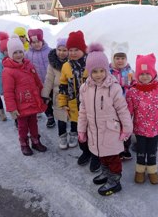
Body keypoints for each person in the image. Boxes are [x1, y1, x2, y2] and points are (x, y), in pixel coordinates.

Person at [78, 43, 133, 196]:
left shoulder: (113, 88)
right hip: (94, 130)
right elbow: (83, 110)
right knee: (101, 154)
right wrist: (81, 130)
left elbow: (122, 109)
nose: (98, 74)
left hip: (111, 130)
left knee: (112, 157)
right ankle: (106, 174)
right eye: (94, 71)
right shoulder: (85, 88)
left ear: (106, 69)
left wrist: (127, 129)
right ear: (89, 71)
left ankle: (115, 181)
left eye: (102, 70)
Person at [126, 53, 158, 184]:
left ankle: (152, 170)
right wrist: (124, 126)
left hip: (155, 129)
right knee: (141, 151)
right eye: (141, 74)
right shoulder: (133, 92)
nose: (145, 76)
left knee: (152, 151)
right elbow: (128, 111)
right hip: (140, 129)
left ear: (153, 73)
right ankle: (140, 170)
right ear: (137, 75)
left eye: (147, 73)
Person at [57, 30, 101, 172]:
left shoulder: (90, 63)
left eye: (76, 49)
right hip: (75, 107)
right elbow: (63, 85)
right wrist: (63, 102)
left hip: (92, 106)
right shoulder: (66, 66)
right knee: (81, 132)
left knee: (93, 132)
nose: (73, 53)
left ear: (83, 49)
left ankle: (96, 155)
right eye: (70, 50)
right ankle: (86, 152)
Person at [2, 35, 48, 156]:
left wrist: (43, 94)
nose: (18, 55)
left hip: (32, 101)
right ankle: (24, 144)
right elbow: (8, 91)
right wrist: (12, 108)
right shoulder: (8, 71)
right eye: (15, 52)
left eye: (20, 52)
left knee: (34, 122)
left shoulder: (29, 65)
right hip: (20, 104)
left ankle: (35, 141)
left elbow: (37, 81)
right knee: (22, 126)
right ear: (10, 54)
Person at [41, 38, 71, 149]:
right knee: (61, 118)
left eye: (65, 50)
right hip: (59, 95)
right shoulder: (52, 64)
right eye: (59, 50)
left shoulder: (72, 63)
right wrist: (45, 94)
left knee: (73, 118)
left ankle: (73, 134)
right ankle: (62, 136)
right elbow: (48, 80)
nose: (61, 53)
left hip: (72, 95)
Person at [25, 28, 55, 128]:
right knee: (44, 100)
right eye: (33, 42)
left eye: (38, 41)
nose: (36, 44)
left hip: (52, 82)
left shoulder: (50, 51)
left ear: (42, 41)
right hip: (39, 84)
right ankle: (50, 116)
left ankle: (61, 113)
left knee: (55, 99)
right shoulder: (27, 54)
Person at [109, 41, 134, 160]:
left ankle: (125, 148)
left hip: (127, 106)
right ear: (113, 58)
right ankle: (116, 148)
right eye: (117, 58)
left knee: (126, 125)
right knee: (115, 126)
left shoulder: (129, 72)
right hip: (113, 106)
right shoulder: (109, 72)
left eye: (122, 58)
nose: (120, 61)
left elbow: (134, 85)